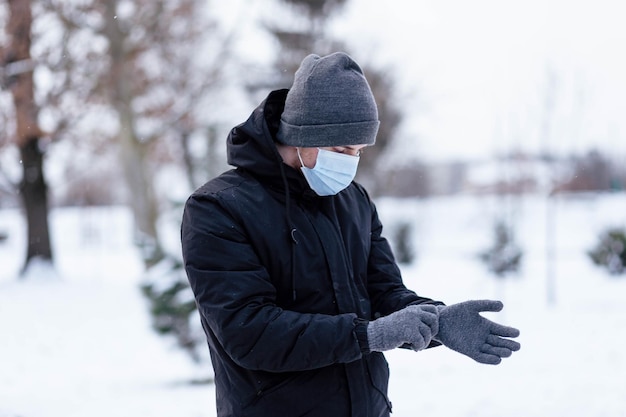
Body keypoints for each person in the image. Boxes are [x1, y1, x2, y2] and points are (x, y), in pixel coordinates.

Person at [181, 52, 521, 417]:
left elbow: (384, 293)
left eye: (358, 151)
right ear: (302, 136)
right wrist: (368, 335)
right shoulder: (217, 208)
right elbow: (250, 332)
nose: (349, 162)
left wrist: (435, 320)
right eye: (341, 149)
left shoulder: (353, 201)